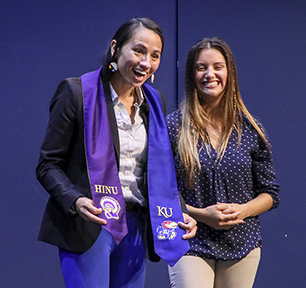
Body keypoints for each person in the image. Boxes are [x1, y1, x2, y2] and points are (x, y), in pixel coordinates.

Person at [36, 17, 196, 288]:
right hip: (90, 224)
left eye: (154, 55)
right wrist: (76, 201)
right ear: (115, 48)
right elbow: (47, 165)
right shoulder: (77, 93)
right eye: (138, 50)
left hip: (135, 228)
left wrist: (177, 211)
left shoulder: (154, 102)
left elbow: (158, 170)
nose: (146, 62)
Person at [166, 37, 280, 288]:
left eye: (217, 66)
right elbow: (160, 191)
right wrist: (201, 215)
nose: (210, 74)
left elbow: (270, 193)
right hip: (190, 239)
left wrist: (243, 210)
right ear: (191, 75)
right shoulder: (173, 127)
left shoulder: (251, 128)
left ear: (229, 73)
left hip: (242, 243)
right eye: (201, 68)